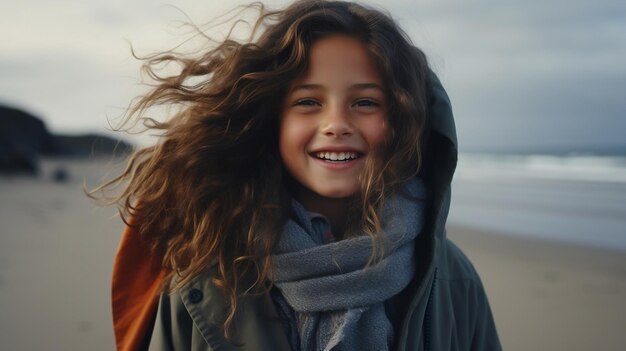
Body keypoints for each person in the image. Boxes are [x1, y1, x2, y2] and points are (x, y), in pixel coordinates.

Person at [101, 1, 501, 350]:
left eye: (364, 102)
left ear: (401, 121)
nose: (336, 124)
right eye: (308, 102)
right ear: (273, 119)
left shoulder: (453, 280)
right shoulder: (204, 272)